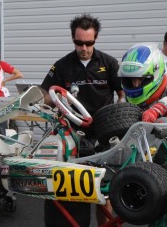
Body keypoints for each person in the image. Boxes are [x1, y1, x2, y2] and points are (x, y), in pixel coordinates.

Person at [40, 13, 124, 226]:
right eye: (79, 43)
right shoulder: (62, 66)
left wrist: (120, 110)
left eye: (89, 43)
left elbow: (123, 92)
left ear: (95, 39)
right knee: (75, 190)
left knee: (103, 193)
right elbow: (45, 95)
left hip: (104, 134)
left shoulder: (110, 63)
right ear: (72, 39)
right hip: (72, 134)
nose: (84, 48)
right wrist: (47, 98)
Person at [118, 43, 167, 227]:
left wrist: (157, 109)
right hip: (149, 157)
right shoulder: (127, 98)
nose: (136, 84)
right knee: (158, 207)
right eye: (132, 80)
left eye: (141, 79)